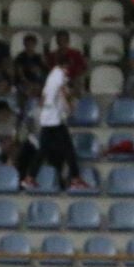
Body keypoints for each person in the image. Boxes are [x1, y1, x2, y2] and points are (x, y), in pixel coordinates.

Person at [35, 60, 84, 190]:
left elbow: (70, 111)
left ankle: (69, 180)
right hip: (52, 132)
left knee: (65, 152)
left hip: (59, 131)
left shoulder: (69, 100)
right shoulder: (50, 96)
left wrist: (66, 98)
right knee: (51, 152)